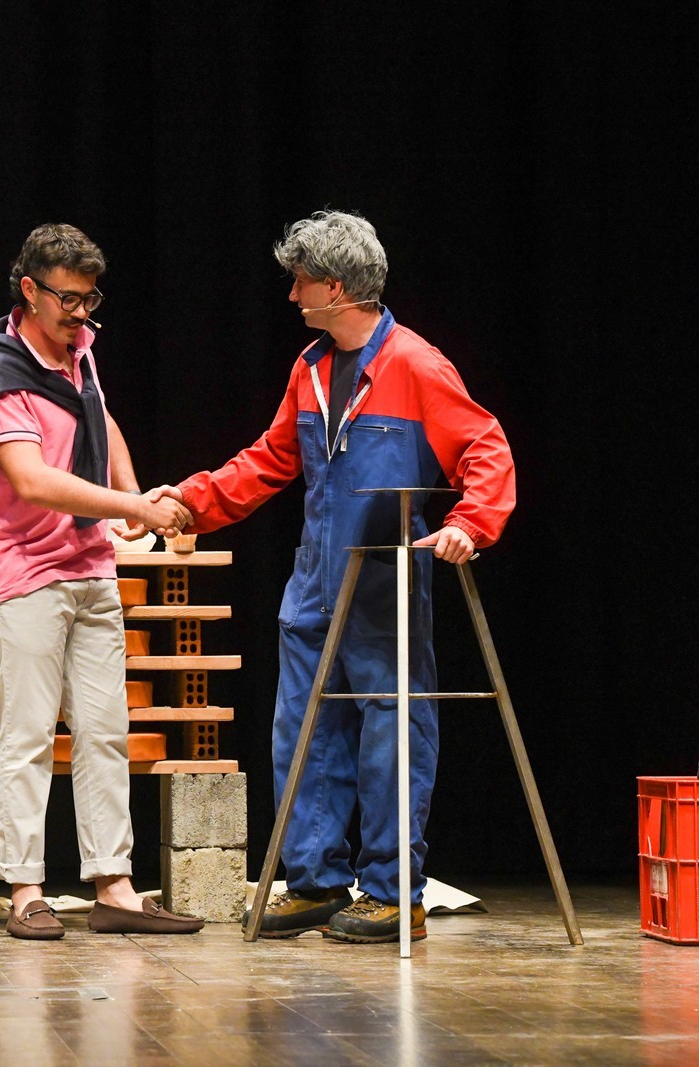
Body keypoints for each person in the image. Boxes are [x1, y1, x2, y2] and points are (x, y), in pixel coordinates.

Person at [171, 210, 515, 943]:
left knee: (391, 734)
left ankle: (394, 892)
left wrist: (470, 523)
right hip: (313, 581)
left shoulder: (415, 364)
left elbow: (485, 446)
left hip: (383, 583)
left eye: (300, 281)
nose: (291, 295)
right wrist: (192, 502)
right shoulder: (310, 368)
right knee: (303, 732)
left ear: (334, 287)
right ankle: (315, 881)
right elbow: (268, 459)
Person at [0, 223, 207, 940]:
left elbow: (97, 414)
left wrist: (131, 493)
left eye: (89, 298)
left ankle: (114, 885)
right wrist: (135, 508)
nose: (79, 312)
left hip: (88, 564)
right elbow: (32, 480)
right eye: (67, 298)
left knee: (105, 730)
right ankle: (26, 888)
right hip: (21, 570)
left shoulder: (80, 352)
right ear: (30, 290)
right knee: (29, 733)